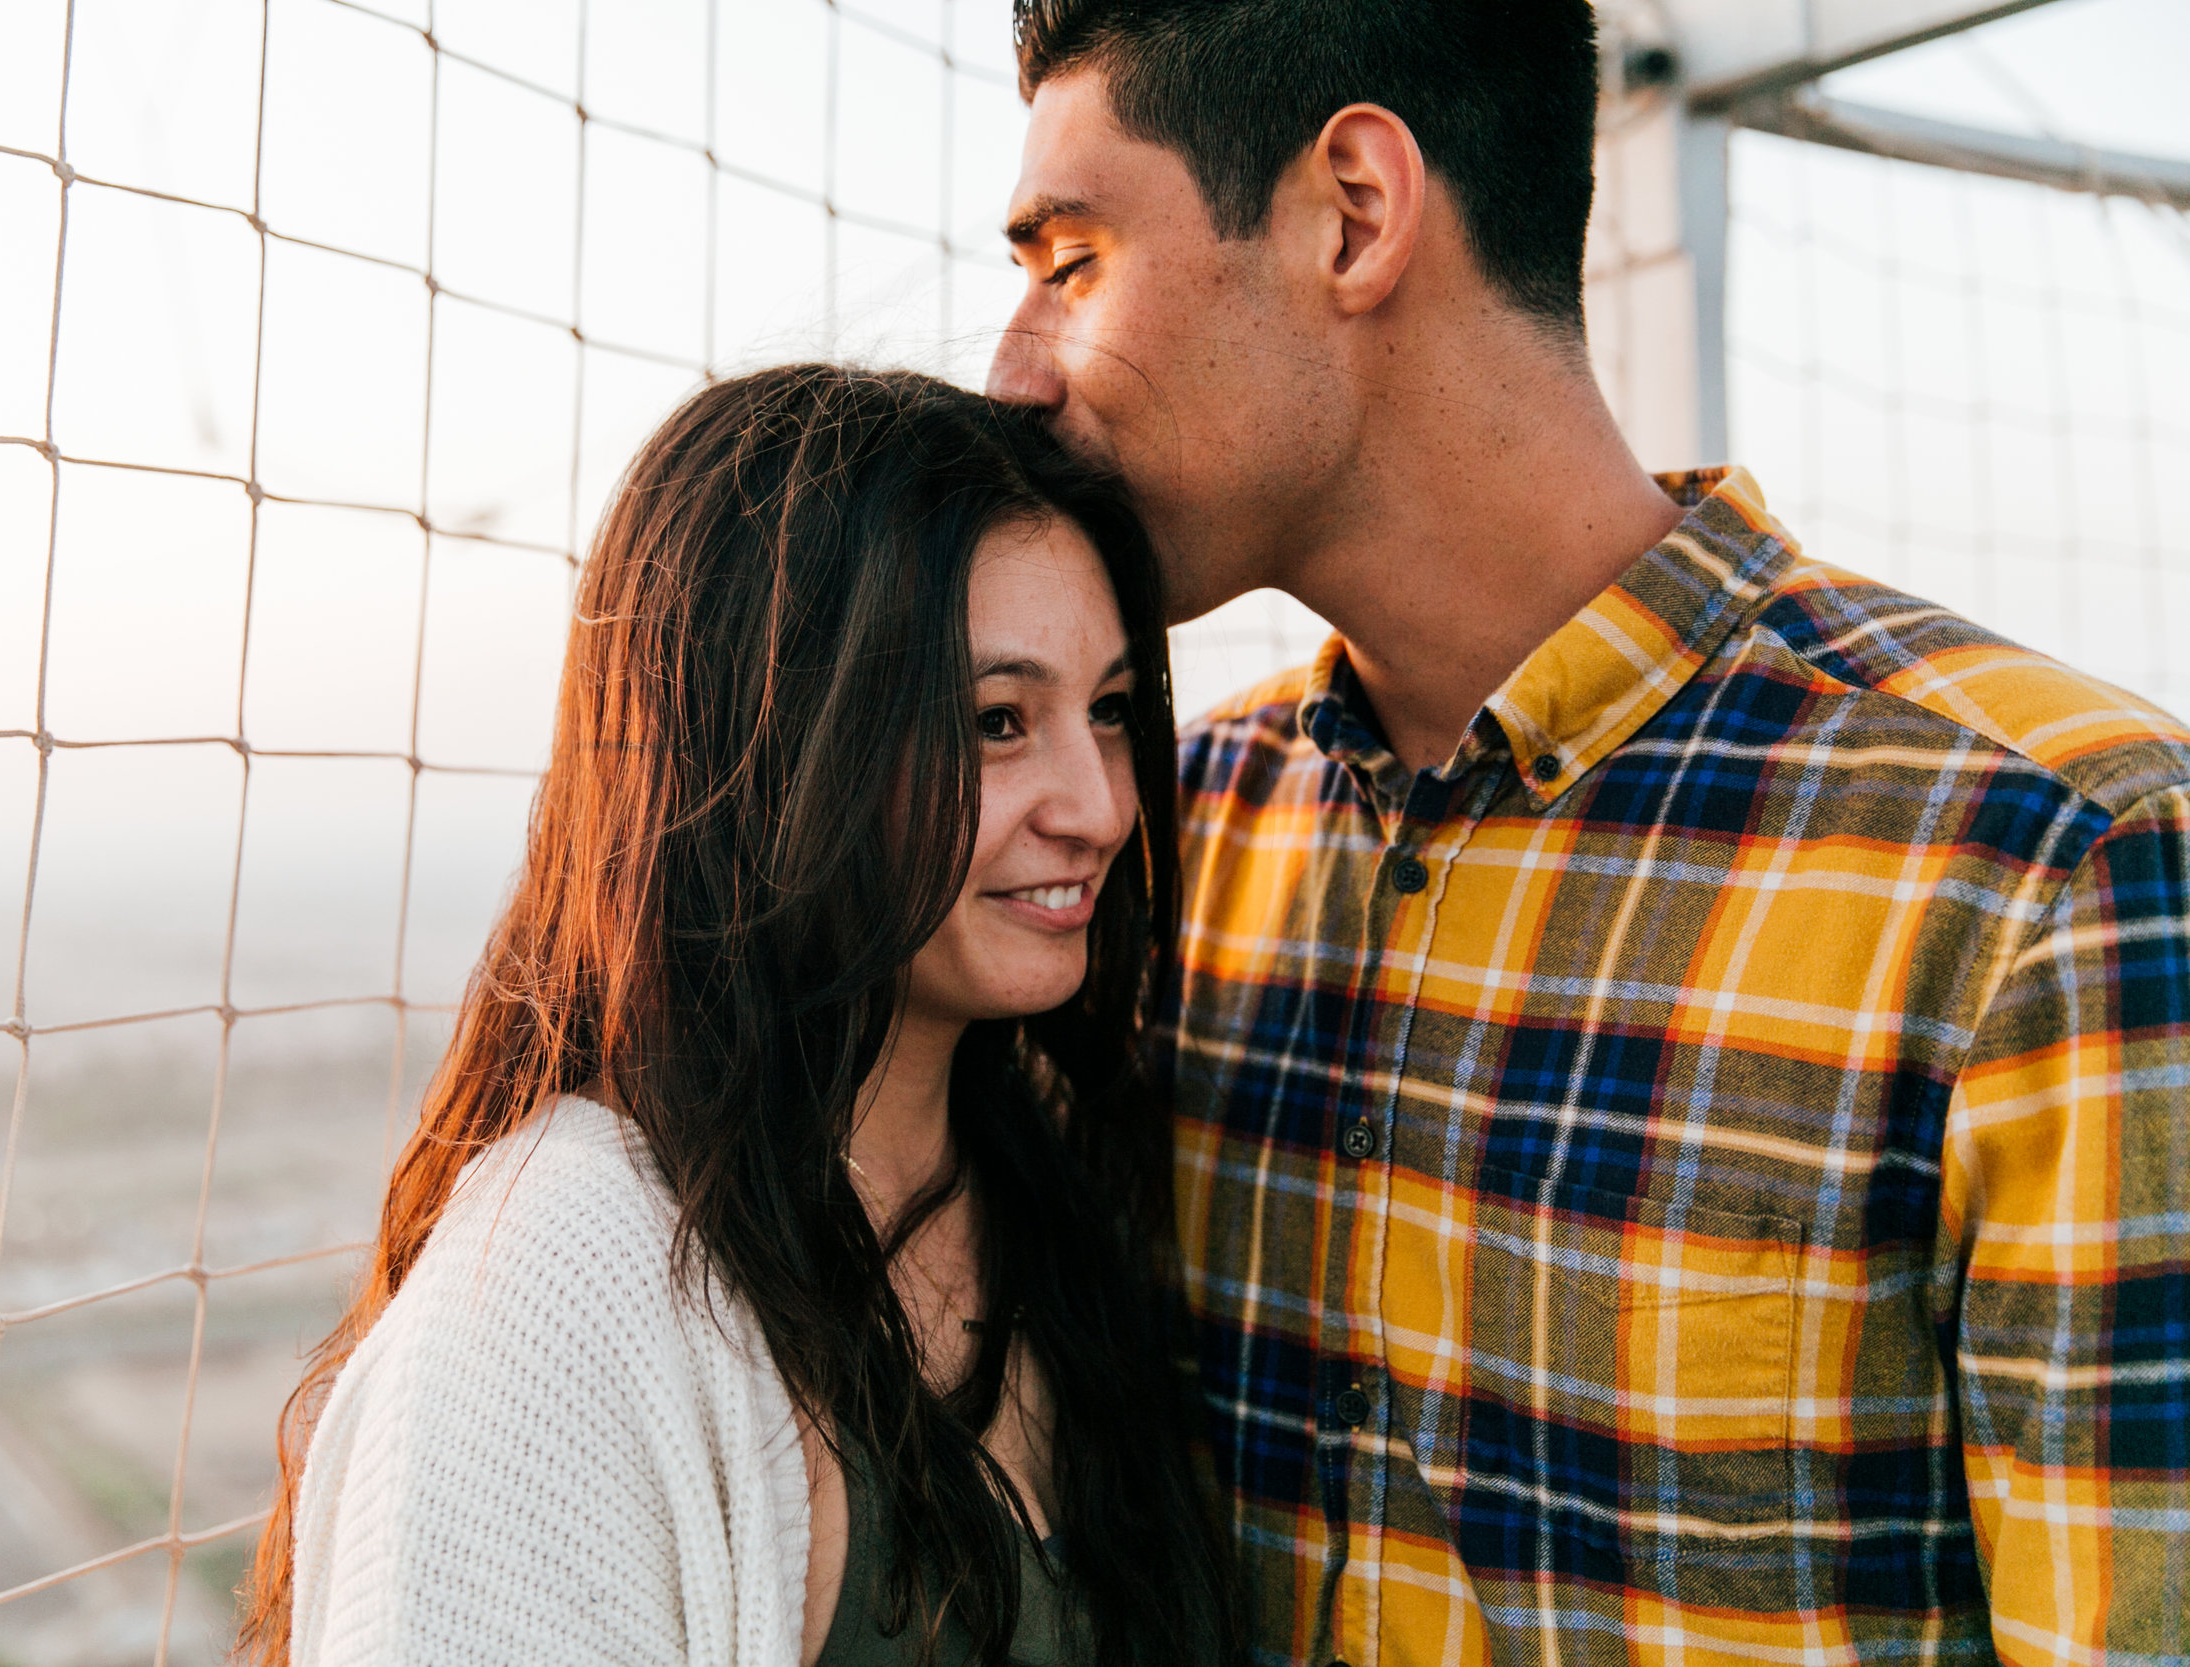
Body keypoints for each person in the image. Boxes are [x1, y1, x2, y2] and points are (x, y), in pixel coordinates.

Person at [986, 2, 2190, 1663]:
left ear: (1354, 209)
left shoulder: (2051, 863)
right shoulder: (1154, 837)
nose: (1013, 373)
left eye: (1070, 258)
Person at [232, 365, 1237, 1666]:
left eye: (1104, 713)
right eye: (996, 721)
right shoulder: (563, 1286)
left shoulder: (1050, 1184)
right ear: (766, 747)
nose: (1097, 805)